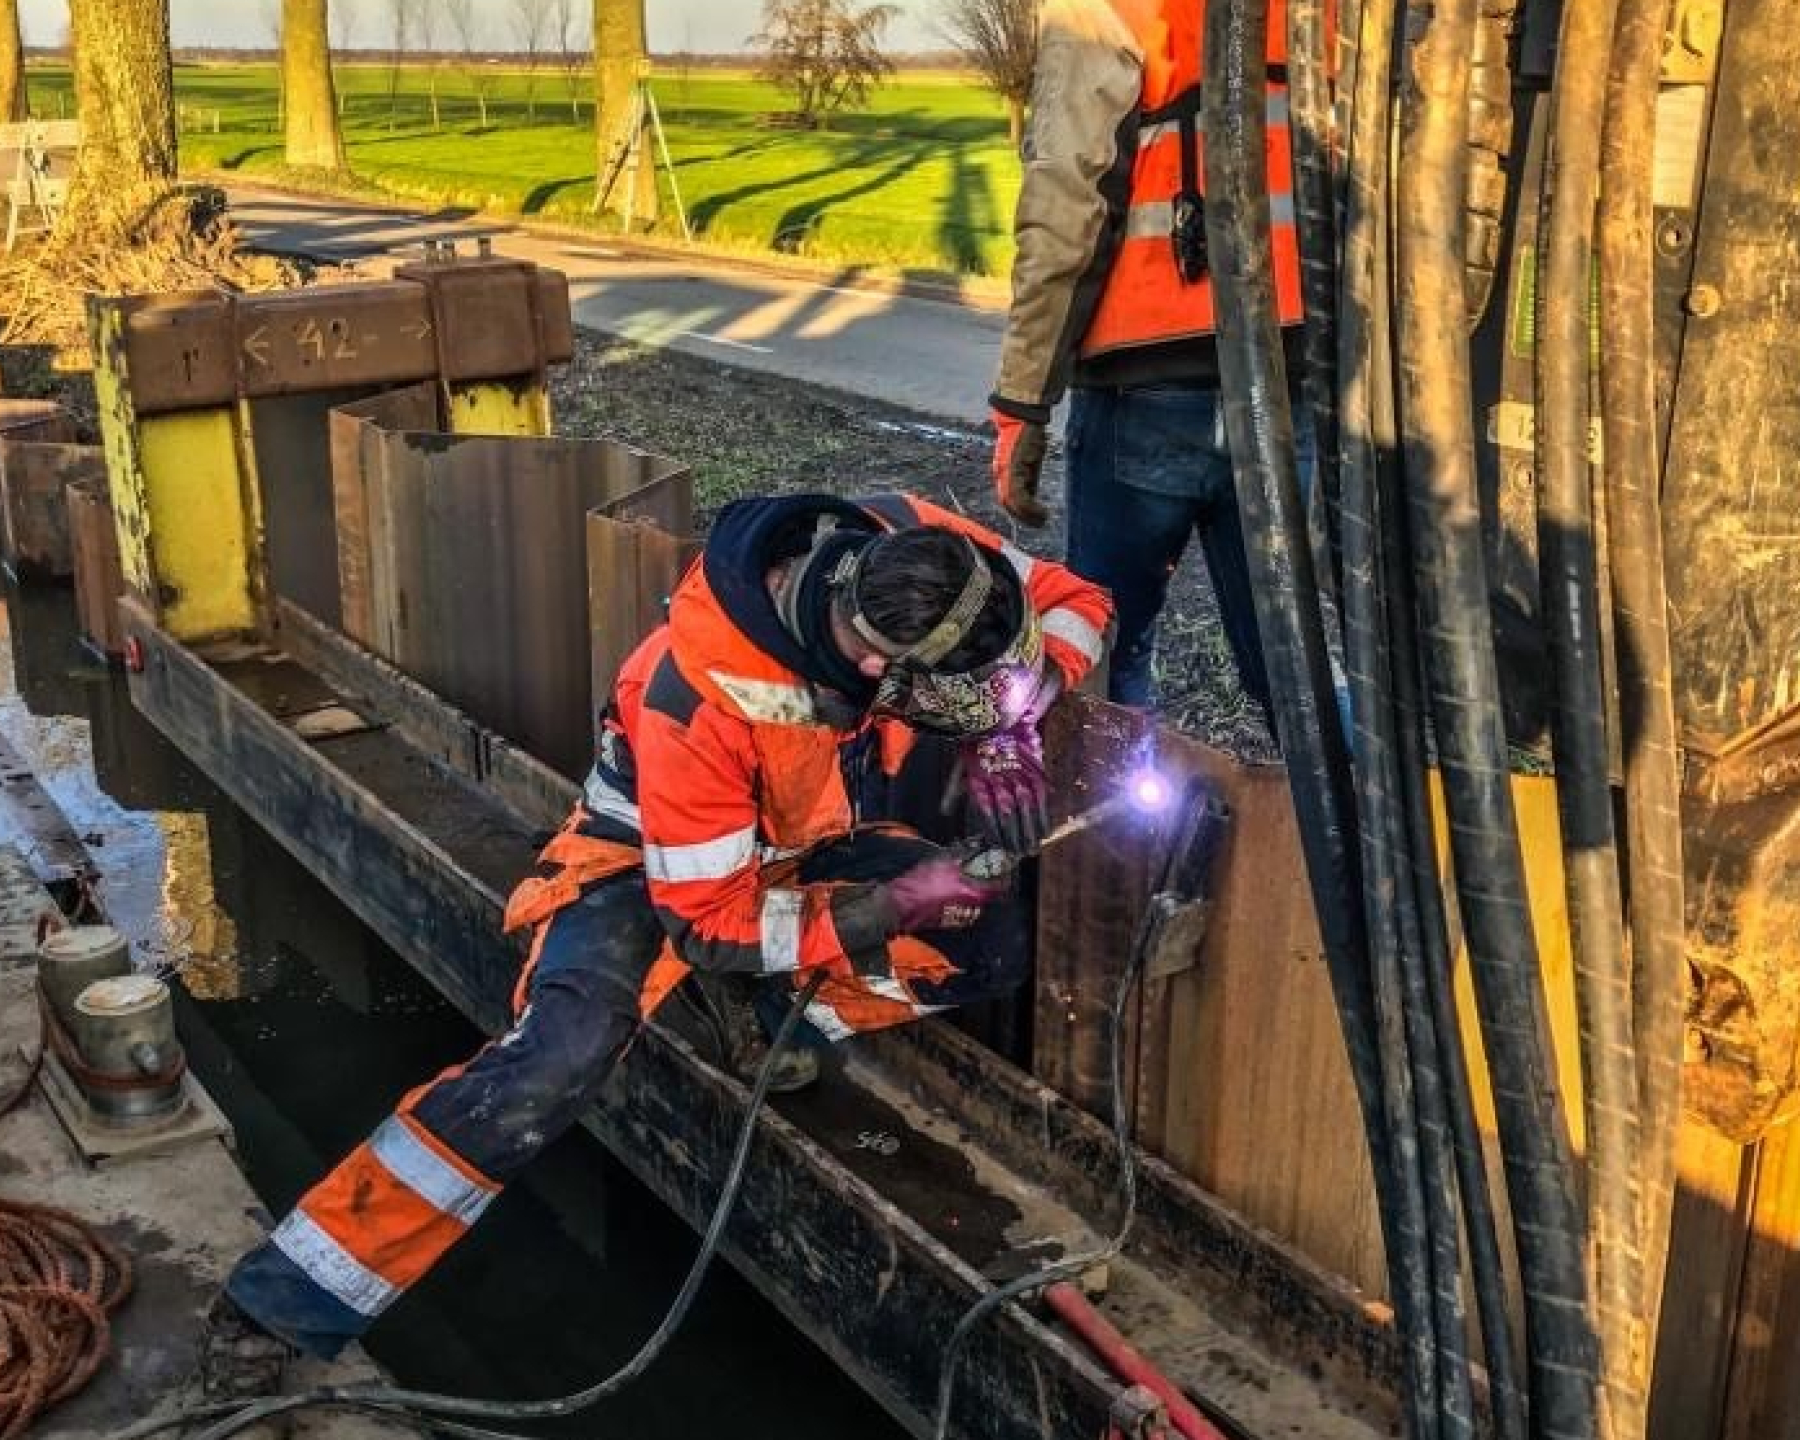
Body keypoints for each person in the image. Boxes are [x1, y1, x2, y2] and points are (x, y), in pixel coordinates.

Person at [212, 491, 1114, 1362]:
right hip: (649, 868)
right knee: (557, 1059)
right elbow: (712, 924)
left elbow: (1081, 603)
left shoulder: (907, 541)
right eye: (962, 695)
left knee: (986, 945)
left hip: (795, 847)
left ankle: (765, 1019)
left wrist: (1011, 724)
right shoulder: (699, 698)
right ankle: (289, 1301)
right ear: (883, 670)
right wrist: (891, 904)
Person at [987, 0, 1303, 718]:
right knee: (1297, 673)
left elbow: (1071, 199)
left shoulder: (1106, 9)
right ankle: (1348, 826)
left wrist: (1021, 404)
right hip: (1287, 378)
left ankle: (1114, 823)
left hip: (1144, 380)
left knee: (1104, 651)